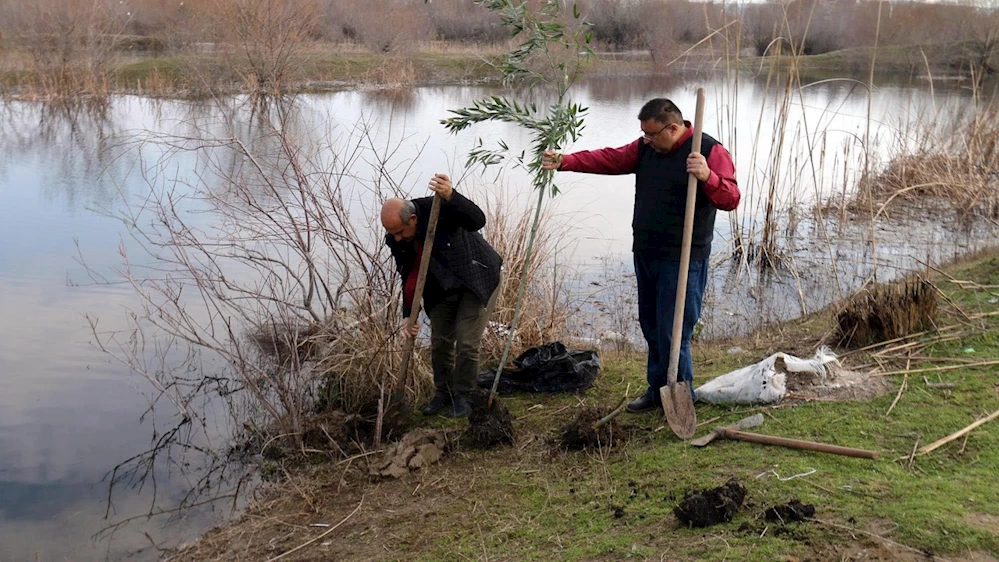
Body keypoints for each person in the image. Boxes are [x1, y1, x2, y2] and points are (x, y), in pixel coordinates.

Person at [542, 98, 740, 413]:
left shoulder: (710, 151)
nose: (645, 140)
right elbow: (608, 159)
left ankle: (680, 400)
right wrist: (566, 160)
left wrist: (707, 177)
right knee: (651, 325)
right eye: (643, 134)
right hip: (647, 252)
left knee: (674, 331)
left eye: (651, 134)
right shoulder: (646, 149)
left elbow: (731, 198)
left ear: (673, 128)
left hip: (684, 258)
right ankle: (657, 390)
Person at [381, 173, 503, 418]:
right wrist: (408, 315)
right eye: (392, 234)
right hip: (440, 287)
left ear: (413, 219)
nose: (396, 238)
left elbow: (477, 220)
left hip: (475, 278)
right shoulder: (396, 238)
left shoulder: (439, 208)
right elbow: (408, 274)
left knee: (467, 343)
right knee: (440, 341)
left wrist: (451, 196)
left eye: (400, 232)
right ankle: (443, 393)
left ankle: (465, 396)